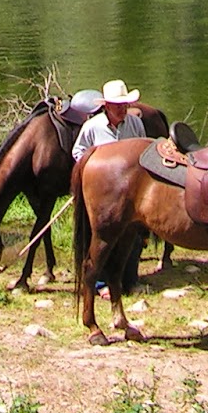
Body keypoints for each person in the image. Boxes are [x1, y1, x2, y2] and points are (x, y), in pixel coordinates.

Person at [73, 79, 148, 292]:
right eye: (118, 106)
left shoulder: (136, 125)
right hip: (104, 192)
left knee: (131, 233)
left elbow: (143, 153)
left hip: (130, 191)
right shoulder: (91, 128)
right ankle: (99, 283)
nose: (123, 109)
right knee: (101, 233)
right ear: (107, 106)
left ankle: (128, 279)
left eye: (125, 105)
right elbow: (79, 153)